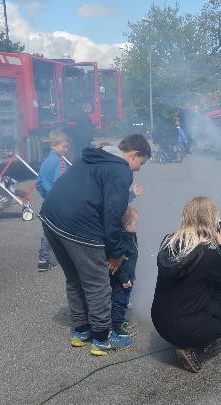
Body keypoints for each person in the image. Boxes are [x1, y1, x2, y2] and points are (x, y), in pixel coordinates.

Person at [39, 134, 150, 355]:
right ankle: (102, 337)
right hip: (78, 225)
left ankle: (81, 331)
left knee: (74, 277)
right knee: (97, 282)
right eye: (141, 163)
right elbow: (112, 215)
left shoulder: (95, 157)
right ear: (134, 154)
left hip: (50, 218)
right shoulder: (120, 170)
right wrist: (116, 253)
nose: (138, 169)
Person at [152, 196, 221, 373]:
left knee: (209, 293)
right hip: (186, 330)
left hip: (161, 323)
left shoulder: (168, 242)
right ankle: (195, 349)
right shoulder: (209, 256)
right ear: (213, 222)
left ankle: (192, 337)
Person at [35, 130, 70, 271]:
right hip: (60, 202)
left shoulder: (45, 162)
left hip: (49, 201)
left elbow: (38, 183)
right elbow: (61, 184)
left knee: (49, 230)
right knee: (67, 229)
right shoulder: (60, 162)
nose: (66, 150)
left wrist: (47, 196)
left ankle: (43, 259)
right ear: (54, 146)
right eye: (63, 147)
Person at [110, 205, 139, 336]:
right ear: (127, 225)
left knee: (120, 299)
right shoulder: (124, 240)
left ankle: (119, 320)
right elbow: (120, 264)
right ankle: (117, 326)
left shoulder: (126, 236)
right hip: (123, 278)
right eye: (135, 224)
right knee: (120, 300)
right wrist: (125, 279)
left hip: (126, 274)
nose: (136, 227)